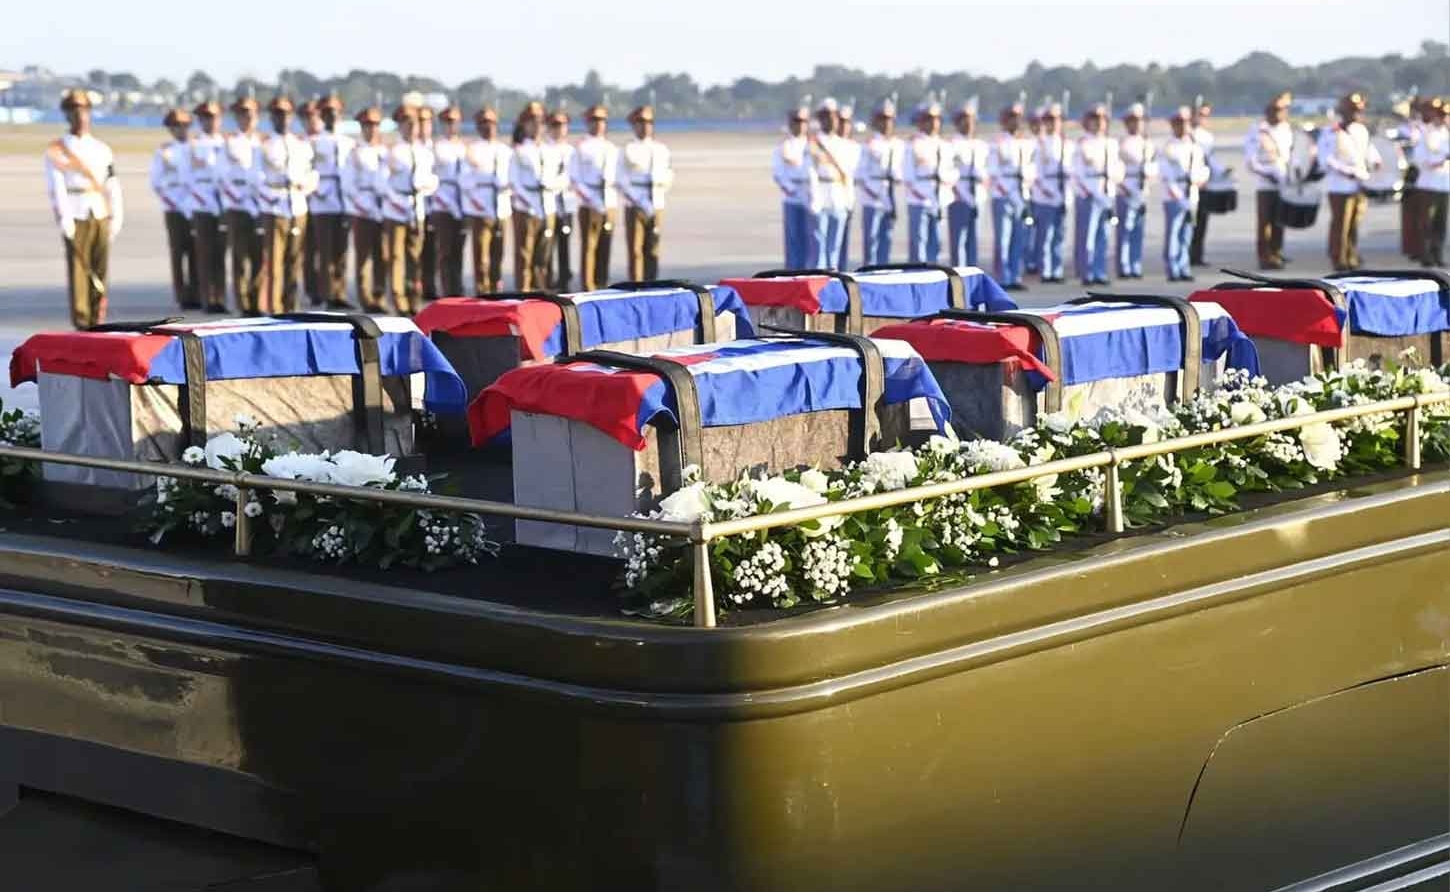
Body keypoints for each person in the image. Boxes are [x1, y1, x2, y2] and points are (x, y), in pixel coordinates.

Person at [45, 88, 123, 329]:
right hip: (75, 211)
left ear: (90, 114)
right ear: (67, 116)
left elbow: (112, 184)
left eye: (83, 111)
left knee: (100, 268)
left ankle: (97, 318)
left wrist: (117, 214)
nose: (79, 116)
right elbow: (56, 187)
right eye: (74, 112)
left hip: (99, 211)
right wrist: (64, 217)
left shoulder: (101, 149)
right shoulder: (57, 150)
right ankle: (81, 320)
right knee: (79, 270)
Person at [255, 96, 318, 314]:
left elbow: (313, 173)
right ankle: (275, 309)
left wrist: (305, 187)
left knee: (295, 261)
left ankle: (291, 307)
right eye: (278, 114)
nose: (282, 118)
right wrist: (272, 197)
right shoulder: (264, 145)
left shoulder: (301, 144)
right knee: (274, 264)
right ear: (271, 117)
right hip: (275, 208)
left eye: (286, 114)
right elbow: (257, 178)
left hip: (298, 206)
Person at [380, 104, 439, 314]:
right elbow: (382, 181)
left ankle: (414, 297)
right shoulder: (393, 151)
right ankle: (398, 300)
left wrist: (425, 187)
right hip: (396, 210)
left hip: (417, 210)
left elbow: (433, 179)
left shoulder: (424, 152)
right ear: (401, 126)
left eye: (414, 123)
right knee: (396, 257)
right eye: (407, 124)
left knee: (415, 256)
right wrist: (396, 200)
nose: (411, 127)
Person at [1318, 92, 1382, 272]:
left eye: (1358, 110)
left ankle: (1351, 255)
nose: (1356, 113)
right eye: (1352, 110)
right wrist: (1347, 172)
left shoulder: (1361, 130)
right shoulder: (1331, 132)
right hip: (1340, 186)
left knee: (1354, 223)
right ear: (1343, 111)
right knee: (1341, 224)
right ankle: (1338, 258)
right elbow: (1326, 159)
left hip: (1359, 185)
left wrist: (1376, 161)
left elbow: (1367, 150)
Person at [308, 93, 354, 309]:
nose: (331, 117)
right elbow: (308, 169)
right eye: (326, 114)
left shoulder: (348, 142)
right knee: (325, 250)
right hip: (323, 198)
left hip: (343, 198)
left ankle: (340, 291)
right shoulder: (314, 142)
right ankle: (327, 293)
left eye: (334, 113)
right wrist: (316, 190)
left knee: (341, 250)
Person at [1070, 104, 1123, 286]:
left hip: (1106, 191)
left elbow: (1118, 167)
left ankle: (1100, 271)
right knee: (1088, 237)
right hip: (1089, 193)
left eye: (1102, 119)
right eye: (1094, 119)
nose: (1098, 123)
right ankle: (1088, 272)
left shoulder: (1111, 143)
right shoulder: (1083, 143)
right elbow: (1077, 171)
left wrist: (1114, 180)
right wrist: (1087, 192)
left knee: (1104, 236)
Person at [461, 107, 512, 294]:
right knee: (481, 254)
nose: (488, 127)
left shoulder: (505, 150)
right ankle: (482, 289)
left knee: (498, 252)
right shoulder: (473, 150)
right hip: (481, 207)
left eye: (491, 123)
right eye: (484, 123)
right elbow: (465, 181)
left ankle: (496, 285)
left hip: (502, 207)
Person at [618, 105, 672, 280]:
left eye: (649, 122)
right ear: (634, 125)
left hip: (656, 202)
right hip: (635, 203)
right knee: (635, 250)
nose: (645, 126)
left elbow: (669, 174)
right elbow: (620, 179)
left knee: (653, 248)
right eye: (640, 122)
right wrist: (637, 199)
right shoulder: (627, 149)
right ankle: (636, 285)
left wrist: (660, 188)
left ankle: (651, 283)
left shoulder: (661, 149)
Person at [151, 107, 198, 310]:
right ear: (171, 129)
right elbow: (156, 182)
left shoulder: (197, 148)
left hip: (196, 205)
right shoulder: (164, 152)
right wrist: (173, 203)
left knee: (197, 252)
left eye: (185, 125)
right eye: (177, 126)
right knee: (178, 252)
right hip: (174, 207)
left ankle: (197, 292)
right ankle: (181, 295)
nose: (181, 129)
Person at [569, 105, 619, 290]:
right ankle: (588, 285)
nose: (598, 124)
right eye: (594, 121)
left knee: (605, 246)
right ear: (587, 123)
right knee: (589, 247)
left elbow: (618, 176)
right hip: (589, 202)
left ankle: (602, 283)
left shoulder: (612, 148)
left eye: (601, 121)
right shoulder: (581, 147)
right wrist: (591, 199)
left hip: (609, 201)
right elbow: (574, 178)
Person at [509, 104, 559, 290]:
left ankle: (541, 292)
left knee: (543, 255)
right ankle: (523, 292)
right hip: (526, 207)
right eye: (532, 122)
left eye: (540, 121)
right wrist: (530, 203)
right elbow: (514, 182)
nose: (537, 125)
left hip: (547, 205)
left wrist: (551, 186)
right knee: (524, 255)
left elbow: (561, 177)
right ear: (525, 125)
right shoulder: (519, 151)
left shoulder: (550, 150)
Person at [1243, 92, 1295, 270]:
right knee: (1265, 223)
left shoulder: (1286, 130)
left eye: (1283, 110)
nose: (1281, 113)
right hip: (1265, 185)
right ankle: (1264, 257)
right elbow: (1250, 161)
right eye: (1278, 110)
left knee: (1280, 221)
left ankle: (1276, 252)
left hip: (1283, 183)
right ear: (1269, 112)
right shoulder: (1257, 131)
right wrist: (1267, 174)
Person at [901, 101, 958, 263]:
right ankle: (917, 276)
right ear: (919, 122)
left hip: (940, 197)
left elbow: (954, 171)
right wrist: (922, 195)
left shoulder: (946, 145)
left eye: (936, 119)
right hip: (919, 198)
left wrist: (945, 177)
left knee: (937, 242)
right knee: (919, 242)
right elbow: (908, 175)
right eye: (928, 119)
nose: (932, 123)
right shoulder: (913, 144)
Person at [986, 102, 1034, 290]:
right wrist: (1009, 193)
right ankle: (1003, 277)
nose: (1016, 121)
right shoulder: (998, 142)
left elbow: (1032, 168)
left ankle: (1015, 276)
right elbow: (993, 171)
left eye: (1018, 118)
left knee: (1018, 239)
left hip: (1021, 193)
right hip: (1003, 194)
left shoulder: (1025, 143)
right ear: (1004, 121)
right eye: (1012, 118)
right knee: (1003, 239)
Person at [342, 106, 386, 312]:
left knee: (382, 254)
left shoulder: (386, 151)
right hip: (363, 207)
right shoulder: (355, 153)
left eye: (375, 125)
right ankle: (365, 297)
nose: (372, 130)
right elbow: (348, 185)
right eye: (368, 125)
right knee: (363, 256)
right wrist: (363, 206)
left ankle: (379, 295)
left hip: (385, 207)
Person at [221, 97, 263, 315]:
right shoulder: (229, 142)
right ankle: (243, 301)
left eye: (251, 114)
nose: (247, 118)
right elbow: (222, 175)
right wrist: (238, 199)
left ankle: (258, 300)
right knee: (240, 255)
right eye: (242, 114)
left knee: (259, 255)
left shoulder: (263, 142)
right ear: (236, 117)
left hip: (261, 203)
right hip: (237, 204)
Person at [1159, 107, 1209, 282]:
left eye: (1185, 123)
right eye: (1178, 123)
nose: (1182, 126)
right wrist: (1178, 195)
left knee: (1186, 234)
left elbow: (1203, 168)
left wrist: (1199, 180)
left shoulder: (1195, 147)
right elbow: (1166, 174)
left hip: (1192, 193)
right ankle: (1172, 268)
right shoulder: (1168, 147)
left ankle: (1183, 266)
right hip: (1175, 195)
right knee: (1173, 234)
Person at [188, 100, 228, 313]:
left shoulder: (226, 143)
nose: (210, 122)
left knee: (220, 254)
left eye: (213, 118)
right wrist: (198, 202)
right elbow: (188, 178)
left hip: (224, 204)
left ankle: (220, 298)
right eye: (205, 118)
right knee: (204, 254)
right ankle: (207, 299)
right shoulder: (193, 145)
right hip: (202, 204)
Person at [854, 99, 901, 266]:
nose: (886, 123)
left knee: (886, 237)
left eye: (889, 119)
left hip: (888, 195)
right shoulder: (869, 144)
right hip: (872, 196)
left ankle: (883, 269)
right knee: (871, 240)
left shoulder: (897, 144)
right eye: (883, 119)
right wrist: (873, 192)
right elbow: (860, 173)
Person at [430, 105, 469, 297]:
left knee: (458, 250)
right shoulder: (437, 147)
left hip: (462, 201)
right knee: (445, 251)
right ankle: (446, 290)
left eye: (454, 122)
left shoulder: (464, 147)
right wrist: (446, 202)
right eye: (447, 122)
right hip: (443, 203)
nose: (451, 126)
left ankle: (458, 289)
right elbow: (432, 177)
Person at [772, 106, 818, 269]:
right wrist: (790, 189)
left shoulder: (815, 144)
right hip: (792, 196)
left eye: (803, 121)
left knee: (812, 240)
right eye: (796, 121)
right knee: (794, 239)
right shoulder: (783, 146)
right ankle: (792, 273)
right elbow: (778, 173)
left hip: (811, 195)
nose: (800, 124)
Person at [1031, 103, 1070, 282]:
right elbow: (1036, 172)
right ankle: (1046, 270)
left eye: (1056, 120)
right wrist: (1049, 191)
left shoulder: (1066, 144)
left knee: (1059, 235)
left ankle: (1057, 269)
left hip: (1062, 193)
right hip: (1045, 194)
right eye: (1049, 120)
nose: (1053, 123)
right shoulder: (1040, 144)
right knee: (1045, 235)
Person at [811, 98, 852, 269]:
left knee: (835, 247)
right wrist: (814, 199)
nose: (832, 120)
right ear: (820, 119)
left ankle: (834, 281)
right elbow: (811, 172)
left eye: (834, 116)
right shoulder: (813, 143)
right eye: (827, 116)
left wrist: (849, 200)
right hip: (821, 195)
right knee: (819, 248)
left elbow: (848, 175)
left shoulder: (844, 144)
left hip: (838, 197)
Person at [1116, 103, 1154, 279]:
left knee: (1138, 231)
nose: (1136, 124)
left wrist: (1149, 171)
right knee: (1125, 231)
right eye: (1132, 121)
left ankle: (1135, 264)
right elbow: (1117, 168)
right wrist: (1123, 186)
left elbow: (1154, 166)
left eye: (1139, 121)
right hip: (1127, 188)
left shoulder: (1147, 143)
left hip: (1142, 189)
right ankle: (1124, 265)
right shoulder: (1122, 143)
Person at [948, 101, 988, 268]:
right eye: (964, 119)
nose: (968, 123)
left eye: (971, 119)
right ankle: (959, 274)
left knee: (974, 239)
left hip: (978, 195)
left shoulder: (981, 145)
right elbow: (951, 171)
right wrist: (962, 194)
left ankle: (971, 272)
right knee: (959, 240)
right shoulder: (952, 145)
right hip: (959, 195)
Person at [1411, 97, 1448, 268]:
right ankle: (1425, 255)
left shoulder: (1446, 133)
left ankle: (1437, 253)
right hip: (1428, 184)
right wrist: (1437, 161)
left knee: (1440, 223)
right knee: (1426, 223)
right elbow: (1418, 159)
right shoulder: (1426, 133)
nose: (1442, 118)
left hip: (1444, 184)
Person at [298, 100, 326, 306]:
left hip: (328, 201)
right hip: (305, 200)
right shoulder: (299, 142)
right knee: (308, 250)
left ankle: (328, 289)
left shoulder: (329, 141)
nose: (311, 121)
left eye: (314, 116)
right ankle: (311, 290)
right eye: (307, 117)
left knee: (326, 249)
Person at [545, 109, 576, 290]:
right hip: (549, 200)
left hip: (567, 199)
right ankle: (547, 276)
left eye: (563, 125)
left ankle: (564, 276)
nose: (559, 129)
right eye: (555, 125)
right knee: (548, 241)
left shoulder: (571, 151)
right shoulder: (545, 149)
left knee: (565, 238)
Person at [1188, 101, 1220, 267]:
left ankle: (1197, 254)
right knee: (1189, 222)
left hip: (1205, 183)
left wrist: (1221, 173)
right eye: (1200, 114)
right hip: (1189, 185)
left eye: (1206, 115)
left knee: (1201, 221)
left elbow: (1211, 161)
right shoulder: (1187, 134)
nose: (1203, 118)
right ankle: (1185, 254)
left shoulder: (1208, 137)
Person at [833, 103, 861, 269]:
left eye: (847, 122)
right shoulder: (830, 144)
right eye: (841, 122)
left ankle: (841, 270)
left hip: (848, 195)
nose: (844, 126)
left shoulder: (855, 147)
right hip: (833, 196)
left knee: (843, 240)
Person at [417, 105, 440, 302]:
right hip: (416, 204)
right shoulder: (412, 148)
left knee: (432, 247)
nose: (424, 126)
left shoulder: (436, 148)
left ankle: (429, 284)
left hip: (436, 204)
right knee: (415, 248)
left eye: (427, 122)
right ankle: (415, 285)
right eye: (420, 122)